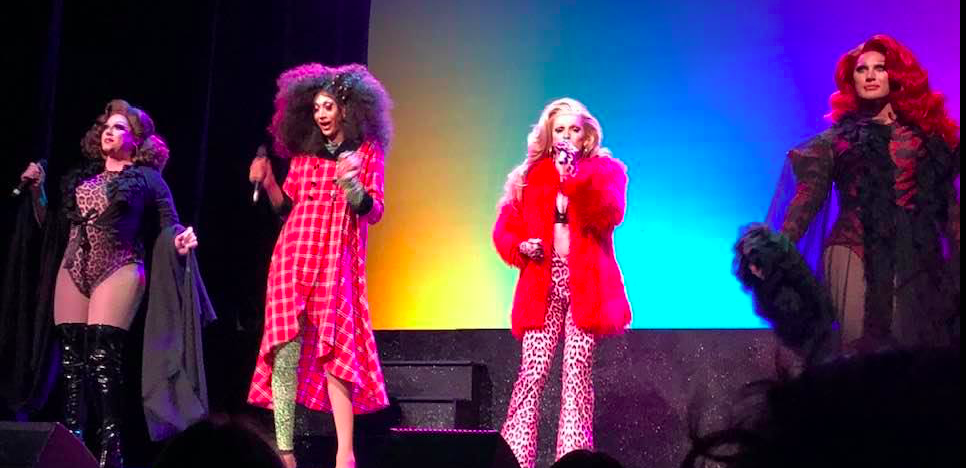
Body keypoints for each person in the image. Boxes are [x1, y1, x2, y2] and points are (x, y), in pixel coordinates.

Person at [18, 99, 214, 468]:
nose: (110, 131)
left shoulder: (147, 178)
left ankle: (111, 449)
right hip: (74, 266)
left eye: (120, 127)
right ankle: (72, 441)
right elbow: (54, 228)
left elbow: (169, 223)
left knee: (102, 357)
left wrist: (179, 242)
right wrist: (37, 191)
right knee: (72, 359)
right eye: (107, 126)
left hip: (119, 265)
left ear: (136, 139)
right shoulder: (82, 177)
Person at [758, 34, 960, 358]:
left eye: (880, 68)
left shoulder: (926, 141)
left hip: (915, 255)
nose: (870, 75)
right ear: (851, 81)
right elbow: (807, 199)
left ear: (896, 76)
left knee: (914, 353)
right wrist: (775, 251)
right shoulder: (836, 141)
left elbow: (948, 207)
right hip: (852, 248)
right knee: (859, 352)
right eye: (861, 69)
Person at [247, 63, 393, 468]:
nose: (321, 114)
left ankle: (345, 451)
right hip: (292, 255)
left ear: (347, 109)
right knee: (285, 349)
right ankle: (285, 451)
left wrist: (352, 185)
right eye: (315, 108)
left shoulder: (367, 152)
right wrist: (269, 181)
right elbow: (286, 209)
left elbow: (374, 210)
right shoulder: (305, 154)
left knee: (336, 349)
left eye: (328, 106)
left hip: (335, 259)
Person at [493, 98, 631, 468]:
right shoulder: (529, 175)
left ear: (586, 136)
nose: (567, 135)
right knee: (532, 372)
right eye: (560, 129)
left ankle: (573, 461)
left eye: (574, 129)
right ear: (550, 135)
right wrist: (521, 245)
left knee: (576, 373)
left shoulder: (606, 171)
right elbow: (504, 229)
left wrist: (574, 179)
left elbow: (609, 214)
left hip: (586, 283)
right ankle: (513, 460)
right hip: (542, 281)